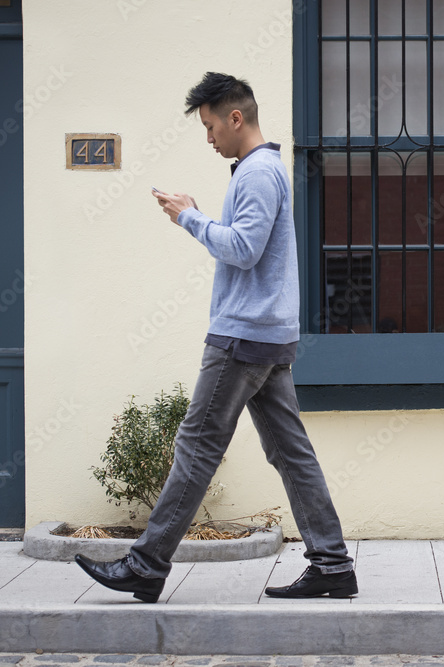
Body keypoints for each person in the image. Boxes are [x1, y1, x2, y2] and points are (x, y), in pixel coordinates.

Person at [75, 72, 357, 602]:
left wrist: (190, 217)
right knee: (292, 454)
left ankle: (146, 564)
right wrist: (200, 214)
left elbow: (244, 249)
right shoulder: (262, 169)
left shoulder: (255, 173)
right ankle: (333, 564)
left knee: (197, 447)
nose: (208, 138)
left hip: (242, 338)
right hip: (268, 338)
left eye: (209, 126)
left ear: (236, 118)